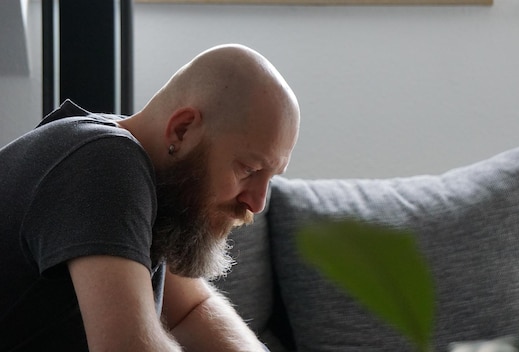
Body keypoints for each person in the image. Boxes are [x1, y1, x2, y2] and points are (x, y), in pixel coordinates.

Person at [0, 43, 300, 351]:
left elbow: (191, 309)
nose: (257, 202)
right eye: (249, 170)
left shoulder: (130, 167)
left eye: (270, 179)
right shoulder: (103, 161)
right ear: (182, 130)